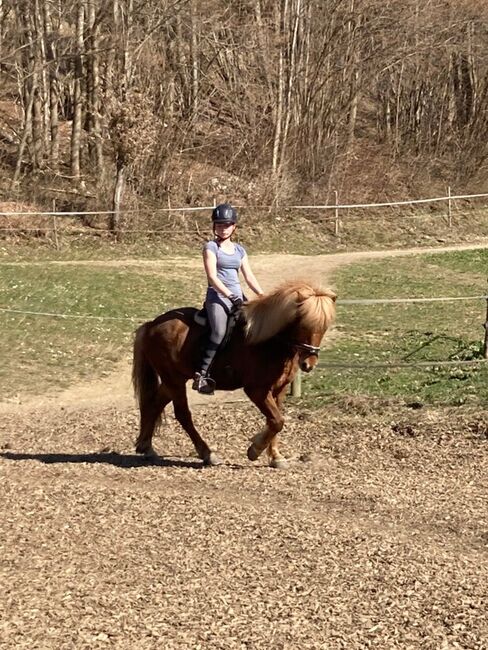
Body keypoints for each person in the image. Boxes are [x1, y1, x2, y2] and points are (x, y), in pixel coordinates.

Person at [192, 202, 264, 394]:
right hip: (218, 297)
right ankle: (202, 374)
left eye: (226, 225)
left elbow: (248, 276)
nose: (222, 229)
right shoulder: (210, 247)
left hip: (238, 297)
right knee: (218, 331)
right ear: (214, 227)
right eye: (219, 225)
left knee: (253, 328)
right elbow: (212, 277)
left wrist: (262, 295)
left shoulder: (240, 250)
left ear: (234, 227)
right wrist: (230, 295)